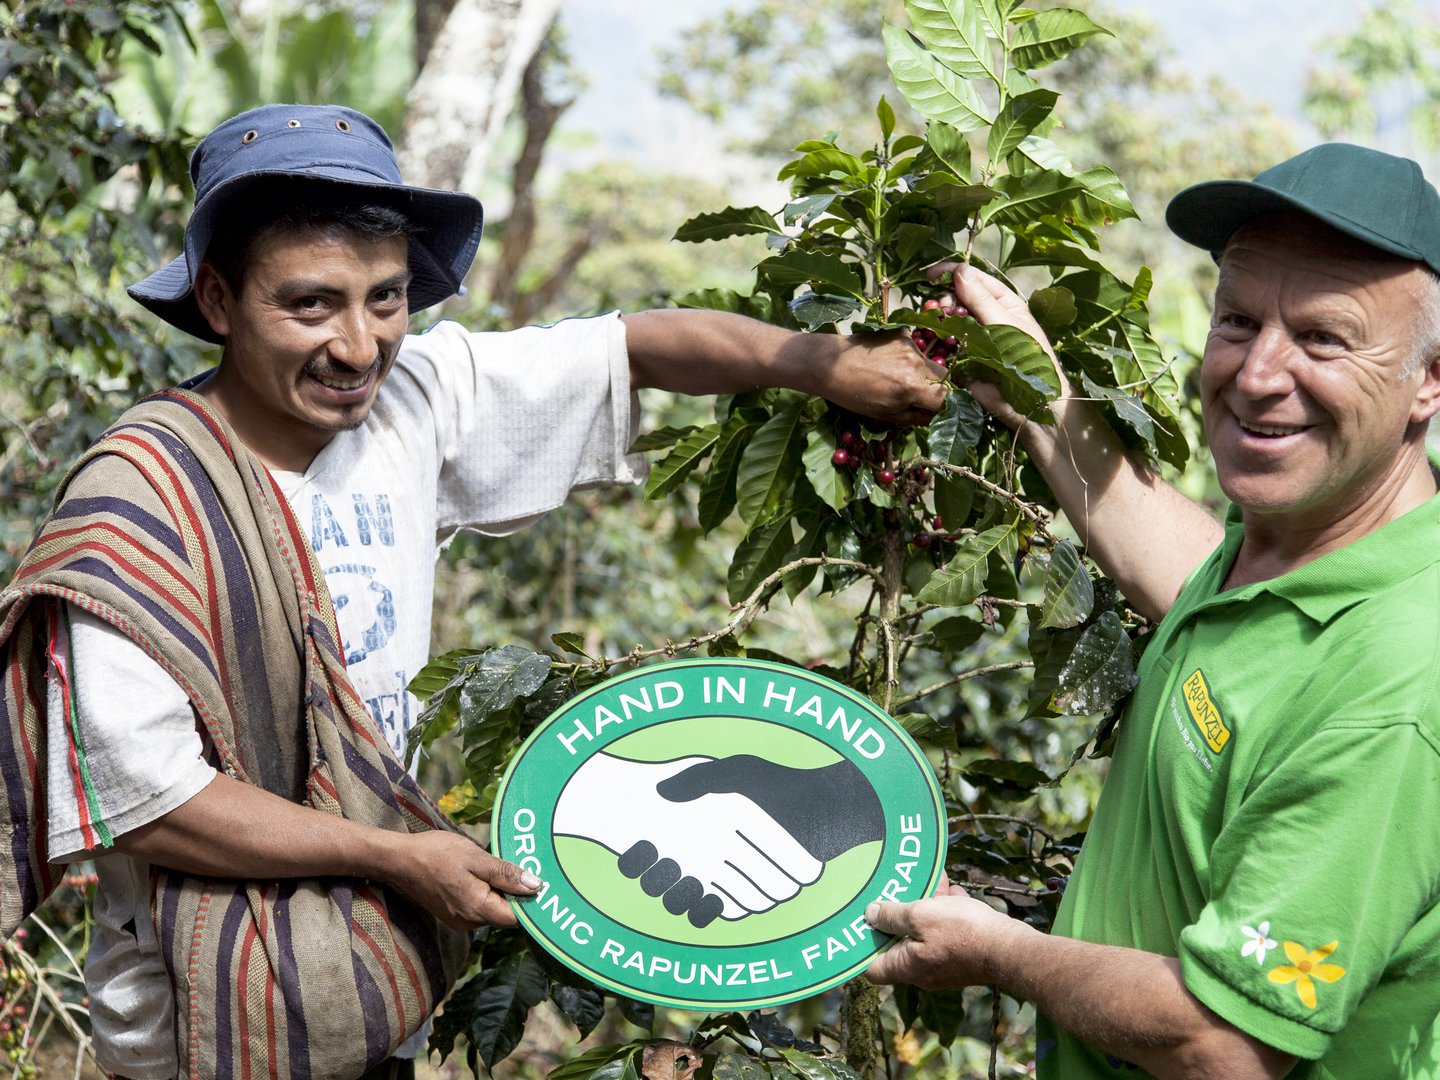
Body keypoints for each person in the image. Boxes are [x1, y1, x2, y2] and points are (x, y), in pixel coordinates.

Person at [0, 103, 945, 1080]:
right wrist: (399, 857)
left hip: (368, 991)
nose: (360, 348)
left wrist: (826, 364)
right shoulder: (141, 501)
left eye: (387, 299)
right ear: (218, 298)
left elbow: (636, 345)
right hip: (194, 1029)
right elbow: (149, 802)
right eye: (311, 305)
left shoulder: (416, 403)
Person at [865, 142, 1440, 1079]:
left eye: (1325, 339)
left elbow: (1224, 1045)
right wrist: (1032, 391)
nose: (1257, 375)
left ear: (1431, 379)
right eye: (1239, 321)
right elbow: (1188, 577)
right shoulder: (1305, 554)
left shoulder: (1401, 685)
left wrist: (1000, 951)